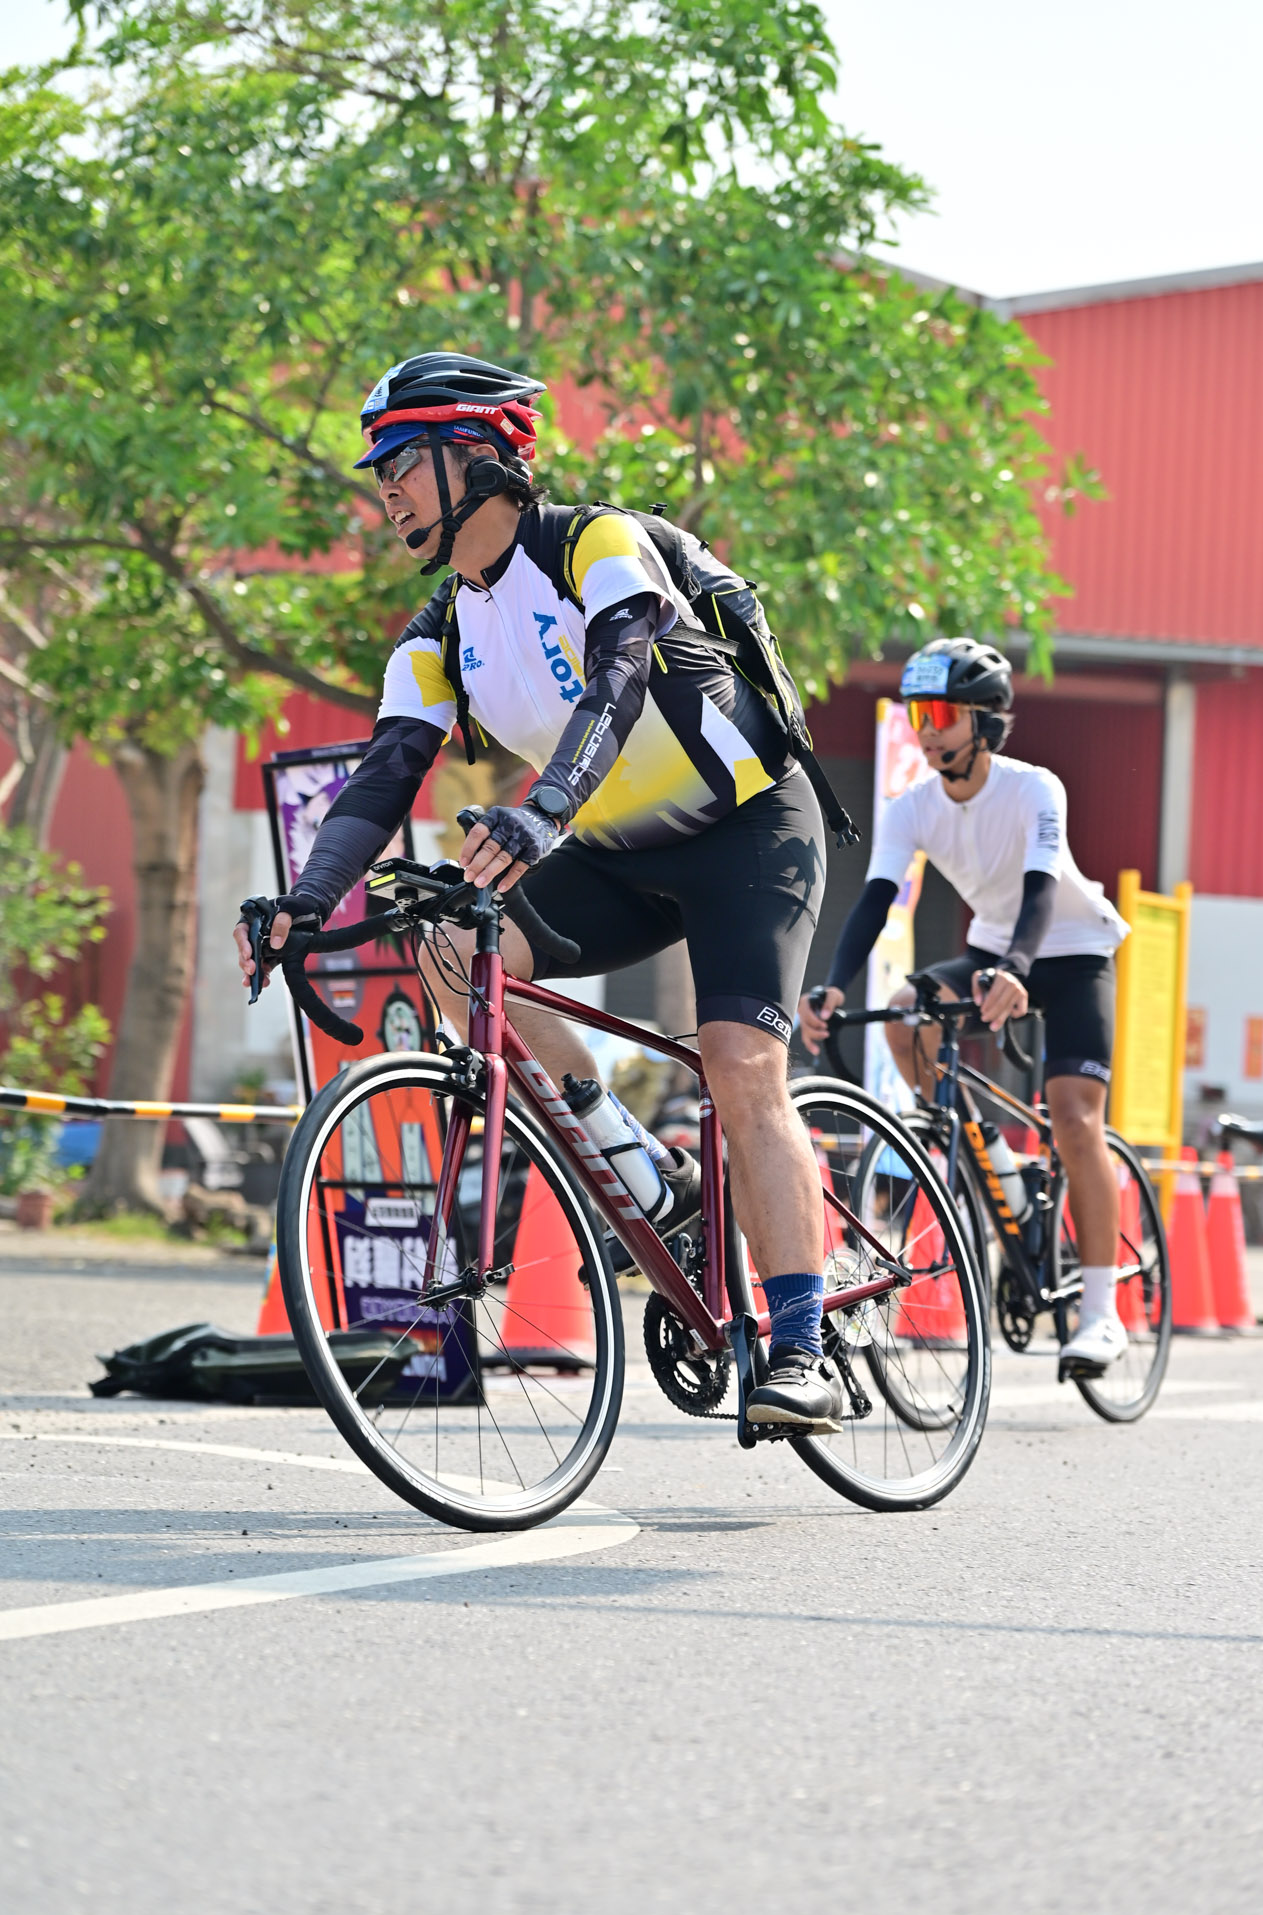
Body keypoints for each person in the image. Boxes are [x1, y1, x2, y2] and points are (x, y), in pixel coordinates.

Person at [235, 351, 845, 1432]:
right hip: (612, 848)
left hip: (747, 828)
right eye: (380, 470)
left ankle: (802, 1344)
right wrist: (307, 899)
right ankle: (643, 1173)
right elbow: (386, 772)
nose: (385, 490)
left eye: (399, 461)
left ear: (475, 456)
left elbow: (620, 674)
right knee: (451, 952)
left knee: (741, 1064)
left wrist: (545, 808)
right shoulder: (437, 631)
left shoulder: (594, 543)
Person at [797, 638, 1131, 1375]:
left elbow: (1042, 889)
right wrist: (833, 983)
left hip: (1072, 950)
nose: (927, 732)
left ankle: (1101, 1314)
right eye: (918, 716)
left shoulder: (1034, 788)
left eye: (942, 716)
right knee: (903, 1013)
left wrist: (1017, 969)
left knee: (1075, 1119)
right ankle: (989, 1158)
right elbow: (875, 898)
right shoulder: (911, 807)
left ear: (984, 721)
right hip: (991, 951)